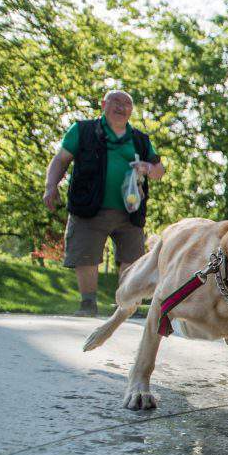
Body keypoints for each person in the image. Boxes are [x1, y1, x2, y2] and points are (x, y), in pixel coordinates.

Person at [43, 90, 164, 317]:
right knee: (86, 254)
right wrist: (51, 186)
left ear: (131, 110)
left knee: (131, 257)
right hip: (89, 205)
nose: (121, 107)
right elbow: (61, 159)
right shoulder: (83, 130)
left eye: (127, 103)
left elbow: (159, 171)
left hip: (130, 210)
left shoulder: (140, 139)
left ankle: (126, 305)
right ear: (103, 104)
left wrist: (148, 168)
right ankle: (88, 303)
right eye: (116, 102)